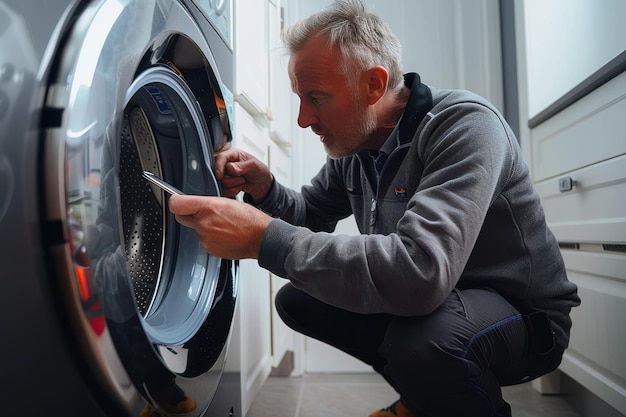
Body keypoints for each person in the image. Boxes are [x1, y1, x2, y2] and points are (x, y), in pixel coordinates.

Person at [169, 1, 580, 415]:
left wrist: (262, 237)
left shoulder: (465, 126)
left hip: (524, 317)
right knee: (299, 300)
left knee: (424, 344)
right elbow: (310, 212)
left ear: (373, 85)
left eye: (315, 97)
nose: (302, 118)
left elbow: (420, 271)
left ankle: (436, 394)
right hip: (442, 299)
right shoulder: (357, 146)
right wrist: (266, 188)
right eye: (300, 98)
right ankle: (423, 401)